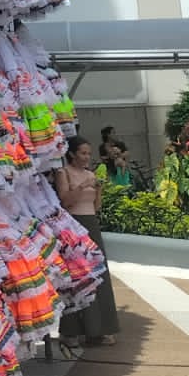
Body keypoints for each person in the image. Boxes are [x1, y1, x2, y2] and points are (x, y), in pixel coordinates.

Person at [53, 136, 120, 355]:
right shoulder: (64, 173)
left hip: (91, 224)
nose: (86, 157)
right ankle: (71, 330)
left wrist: (98, 189)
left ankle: (99, 329)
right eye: (82, 153)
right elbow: (65, 201)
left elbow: (96, 206)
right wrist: (82, 186)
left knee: (98, 275)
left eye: (89, 153)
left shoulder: (91, 174)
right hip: (74, 226)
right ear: (72, 154)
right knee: (77, 277)